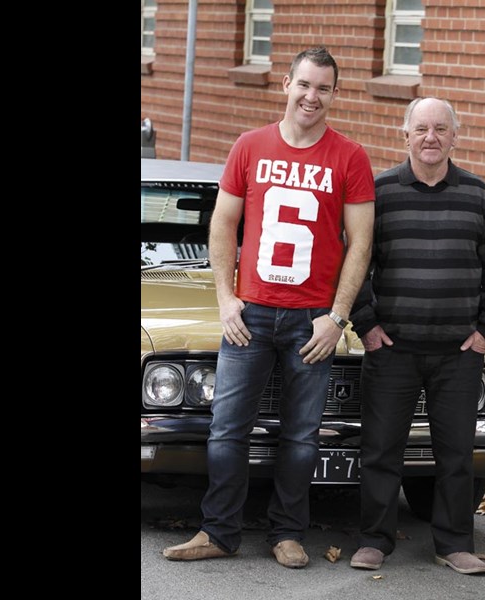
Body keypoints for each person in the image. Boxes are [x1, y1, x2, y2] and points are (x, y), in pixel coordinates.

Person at [162, 47, 375, 569]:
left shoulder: (350, 157)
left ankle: (287, 532)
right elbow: (222, 225)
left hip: (311, 320)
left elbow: (361, 243)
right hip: (250, 315)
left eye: (323, 88)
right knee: (226, 429)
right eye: (304, 84)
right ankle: (219, 531)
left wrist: (337, 316)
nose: (311, 96)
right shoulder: (249, 146)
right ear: (286, 83)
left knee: (301, 436)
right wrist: (225, 297)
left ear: (334, 94)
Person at [348, 97, 485, 575]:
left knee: (457, 454)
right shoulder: (379, 192)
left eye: (441, 128)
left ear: (454, 136)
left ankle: (455, 543)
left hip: (458, 354)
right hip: (392, 348)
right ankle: (375, 540)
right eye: (421, 128)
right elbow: (354, 265)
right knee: (380, 448)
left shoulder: (478, 195)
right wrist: (368, 327)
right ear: (406, 135)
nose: (431, 137)